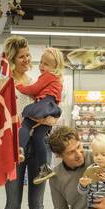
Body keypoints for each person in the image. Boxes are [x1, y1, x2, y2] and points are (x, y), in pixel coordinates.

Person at [1, 35, 48, 209]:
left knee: (37, 206)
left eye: (28, 55)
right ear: (12, 58)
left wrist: (49, 119)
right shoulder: (5, 83)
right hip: (14, 149)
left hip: (39, 147)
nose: (27, 59)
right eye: (22, 56)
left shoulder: (38, 82)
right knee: (13, 204)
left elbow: (52, 111)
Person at [16, 47, 64, 185]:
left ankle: (20, 148)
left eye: (46, 64)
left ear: (55, 67)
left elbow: (34, 89)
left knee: (25, 123)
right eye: (41, 62)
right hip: (51, 106)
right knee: (39, 136)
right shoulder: (57, 79)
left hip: (45, 104)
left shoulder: (47, 76)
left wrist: (20, 87)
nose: (42, 66)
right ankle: (45, 168)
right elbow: (39, 92)